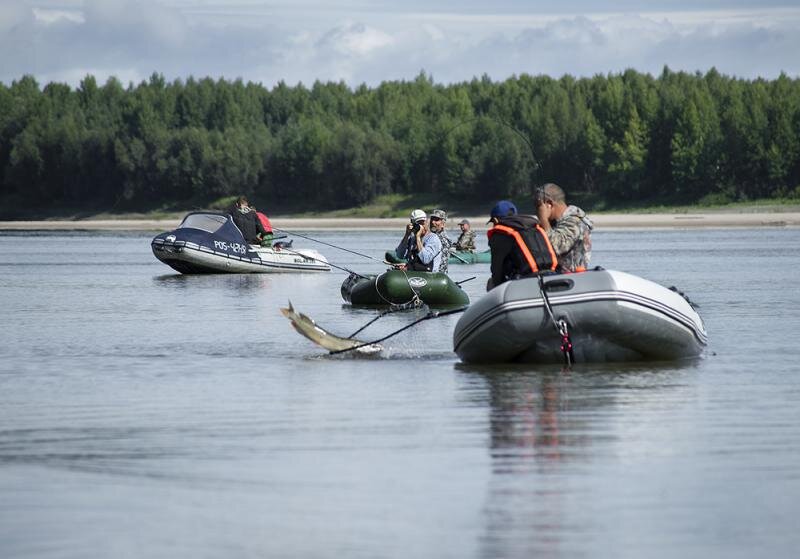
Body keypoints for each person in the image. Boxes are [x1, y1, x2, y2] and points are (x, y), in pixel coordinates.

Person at [486, 199, 558, 290]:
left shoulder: (500, 234)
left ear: (495, 220)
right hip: (553, 275)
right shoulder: (535, 227)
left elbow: (497, 270)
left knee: (491, 283)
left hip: (527, 281)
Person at [535, 183, 593, 273]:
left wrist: (543, 219)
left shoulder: (574, 222)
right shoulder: (556, 223)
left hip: (572, 281)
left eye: (538, 206)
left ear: (549, 204)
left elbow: (557, 247)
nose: (537, 211)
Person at [429, 209, 452, 274]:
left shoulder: (443, 239)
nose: (432, 222)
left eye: (436, 220)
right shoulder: (432, 236)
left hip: (436, 277)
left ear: (443, 223)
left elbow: (441, 265)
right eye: (432, 219)